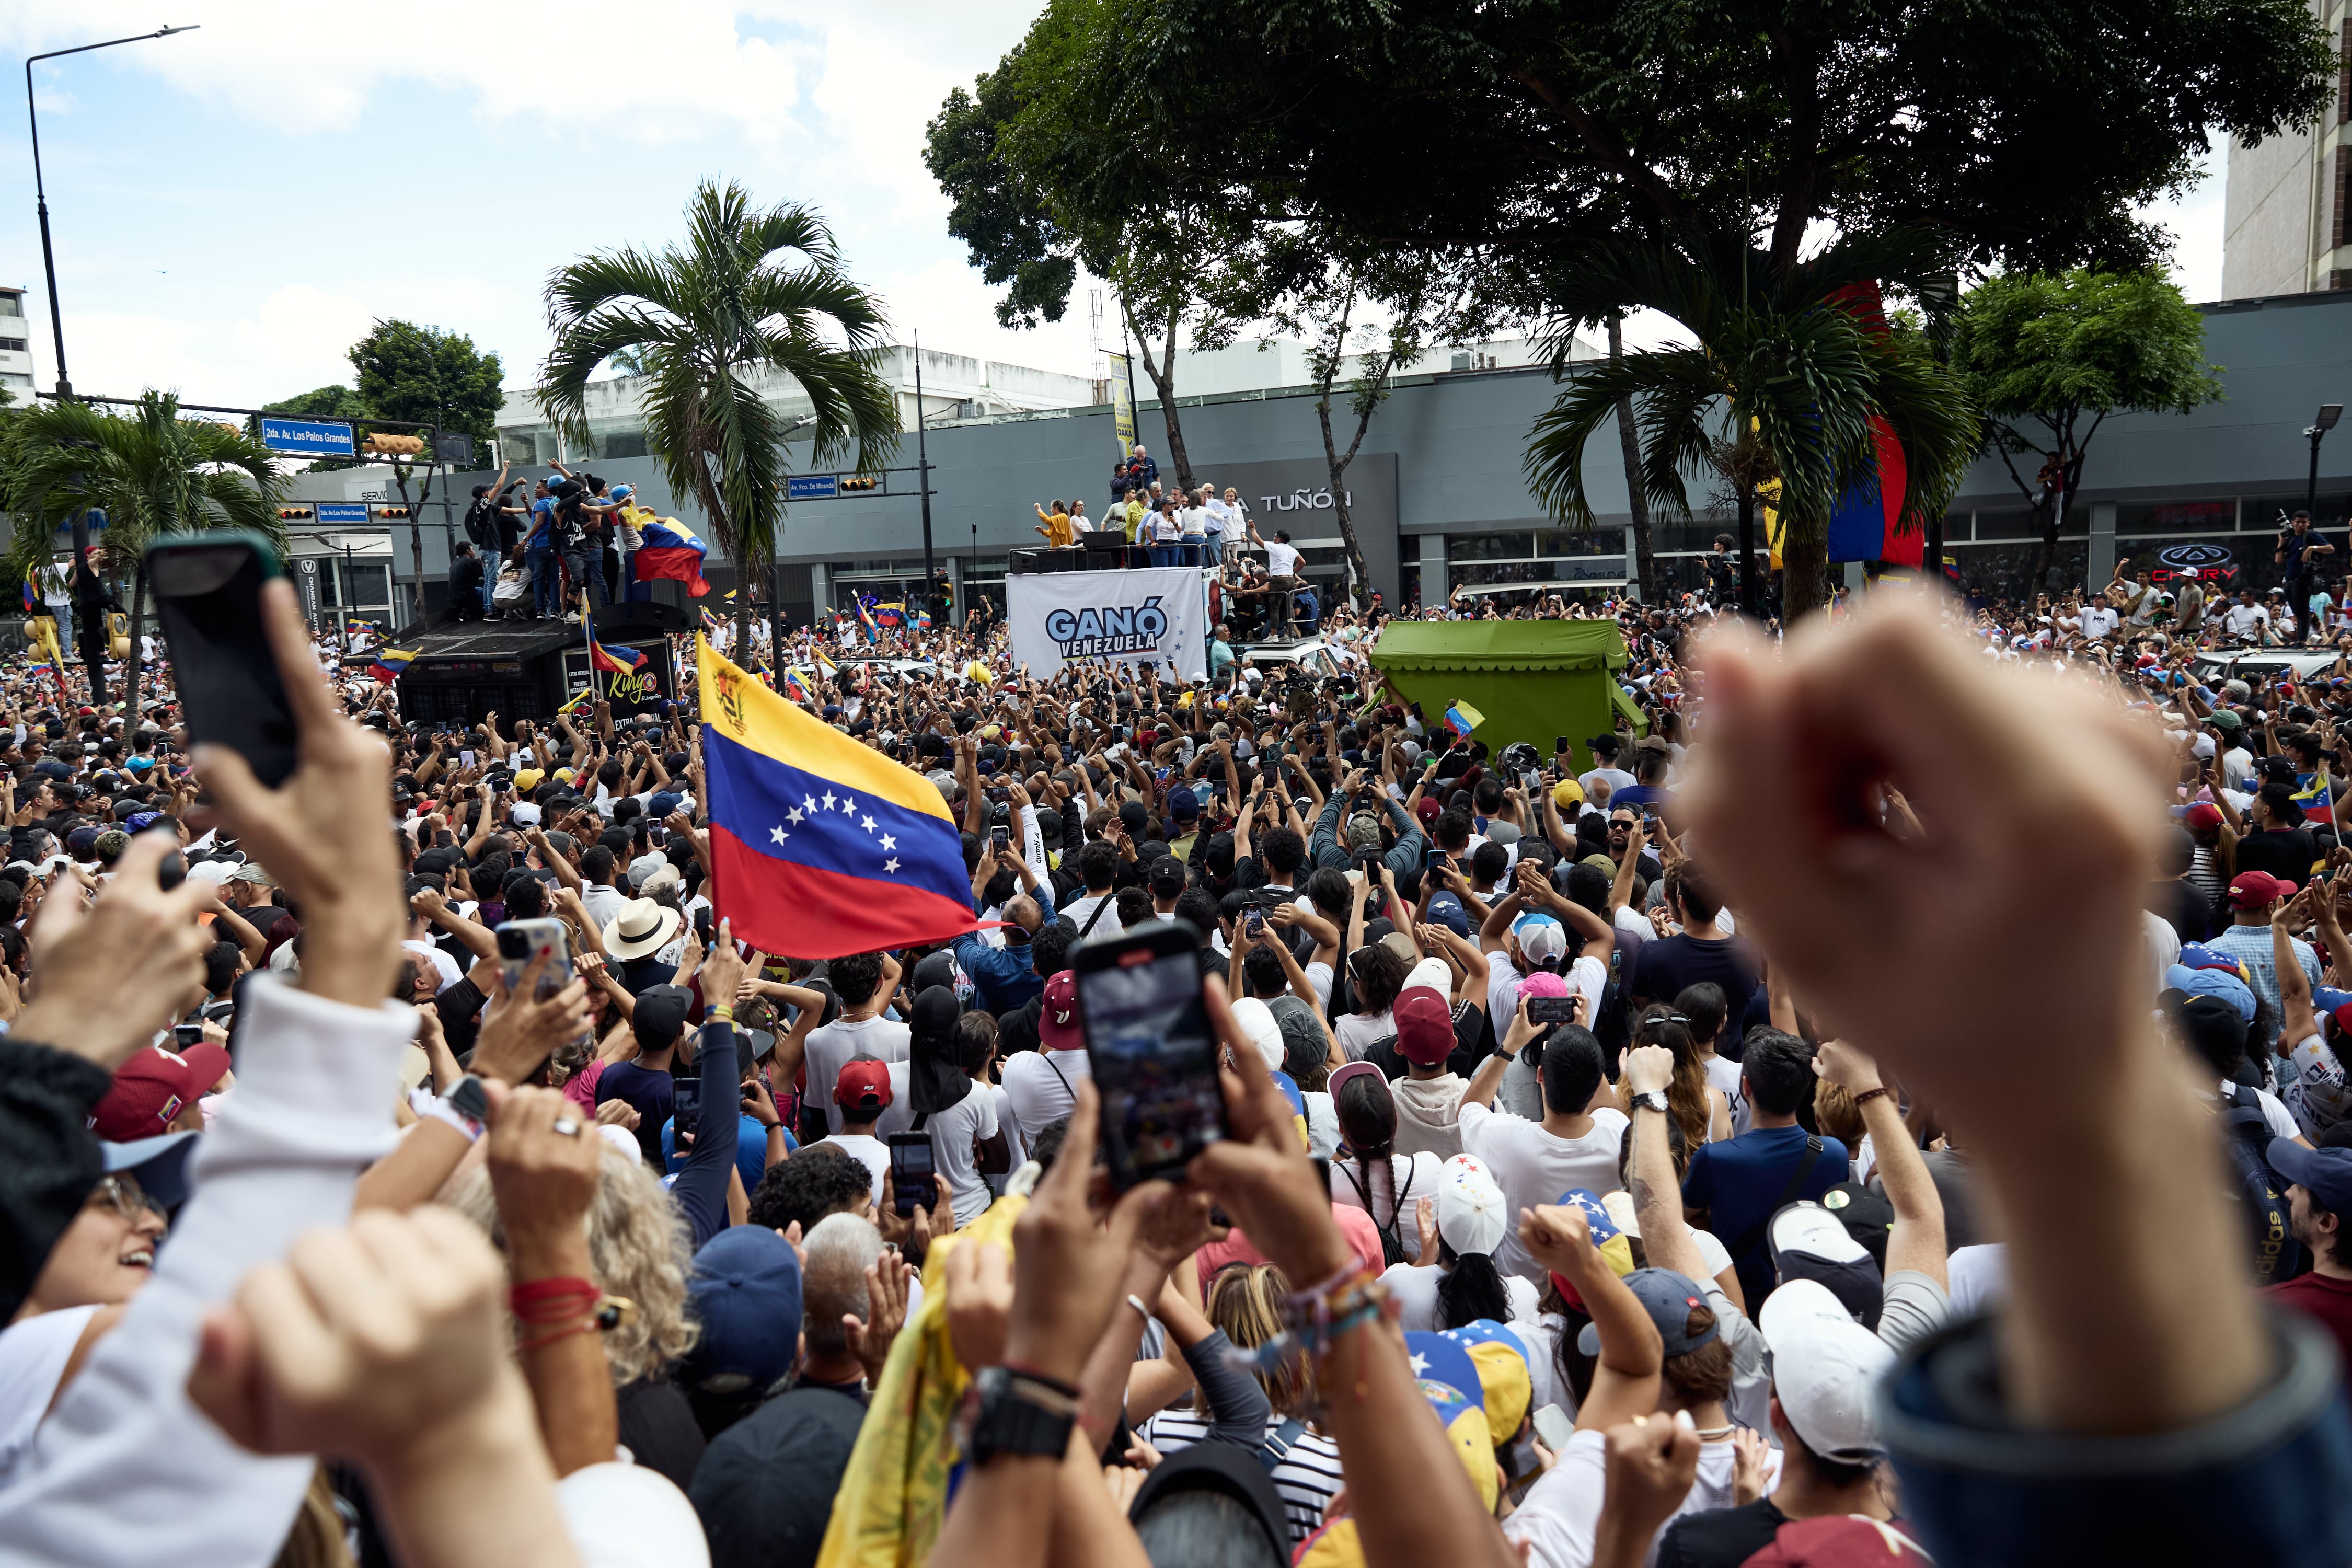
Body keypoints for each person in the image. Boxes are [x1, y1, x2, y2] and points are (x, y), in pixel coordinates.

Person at [1679, 1029, 1852, 1311]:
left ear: (1746, 1087)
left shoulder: (1715, 1158)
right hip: (1808, 1302)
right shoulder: (1834, 1154)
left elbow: (1681, 1219)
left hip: (1737, 1302)